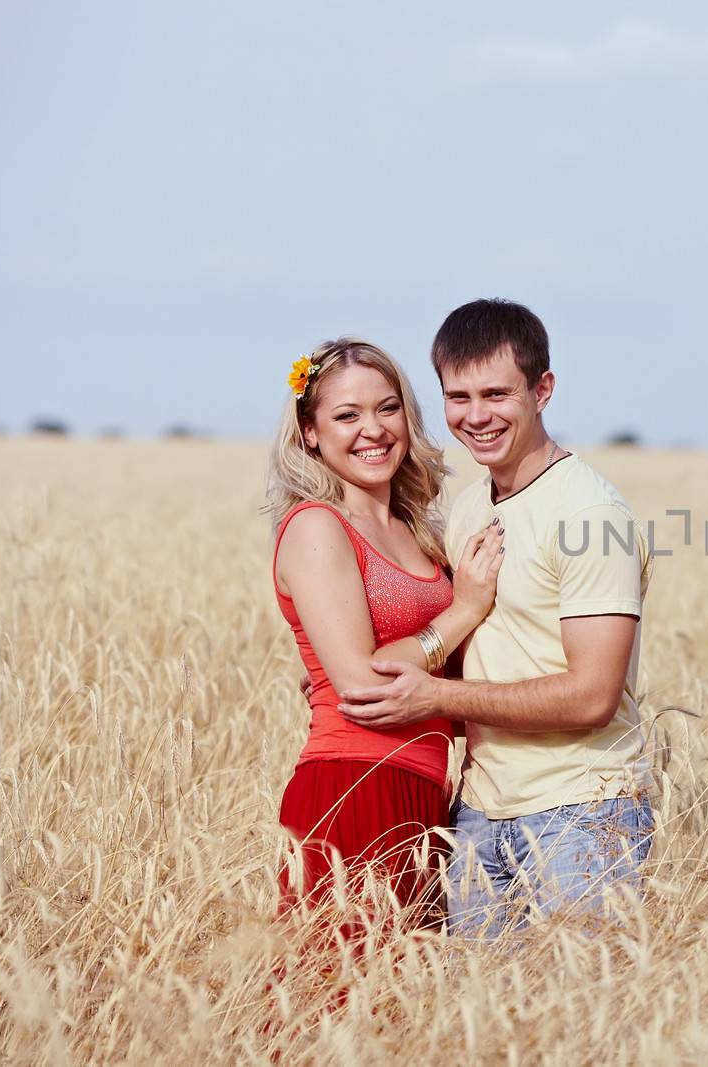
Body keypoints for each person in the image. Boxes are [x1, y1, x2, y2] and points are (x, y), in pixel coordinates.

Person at [336, 300, 653, 937]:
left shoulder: (590, 517)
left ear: (542, 390)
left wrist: (431, 697)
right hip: (477, 814)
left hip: (580, 815)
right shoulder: (470, 505)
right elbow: (467, 641)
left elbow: (593, 696)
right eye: (459, 396)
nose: (476, 416)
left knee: (584, 1025)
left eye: (496, 394)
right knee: (480, 1029)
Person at [265, 337, 504, 935]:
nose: (372, 429)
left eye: (387, 407)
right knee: (340, 1004)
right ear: (310, 433)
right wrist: (464, 609)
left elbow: (432, 671)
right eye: (346, 415)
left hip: (425, 794)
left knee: (406, 1014)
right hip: (353, 787)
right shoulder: (318, 526)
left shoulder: (415, 528)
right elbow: (361, 684)